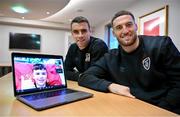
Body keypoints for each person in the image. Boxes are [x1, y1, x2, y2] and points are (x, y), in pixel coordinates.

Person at [78, 10, 180, 114]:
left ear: (136, 26)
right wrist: (111, 86)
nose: (125, 31)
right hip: (130, 109)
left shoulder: (161, 45)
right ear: (113, 33)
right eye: (119, 27)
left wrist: (160, 110)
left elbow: (178, 84)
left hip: (164, 109)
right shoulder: (110, 57)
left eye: (129, 25)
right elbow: (84, 78)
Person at [65, 16, 108, 81]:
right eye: (76, 32)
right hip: (84, 84)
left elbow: (93, 76)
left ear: (90, 31)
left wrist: (78, 76)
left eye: (84, 31)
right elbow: (65, 71)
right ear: (72, 34)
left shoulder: (99, 45)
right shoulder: (73, 48)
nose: (80, 35)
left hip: (100, 86)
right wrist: (81, 76)